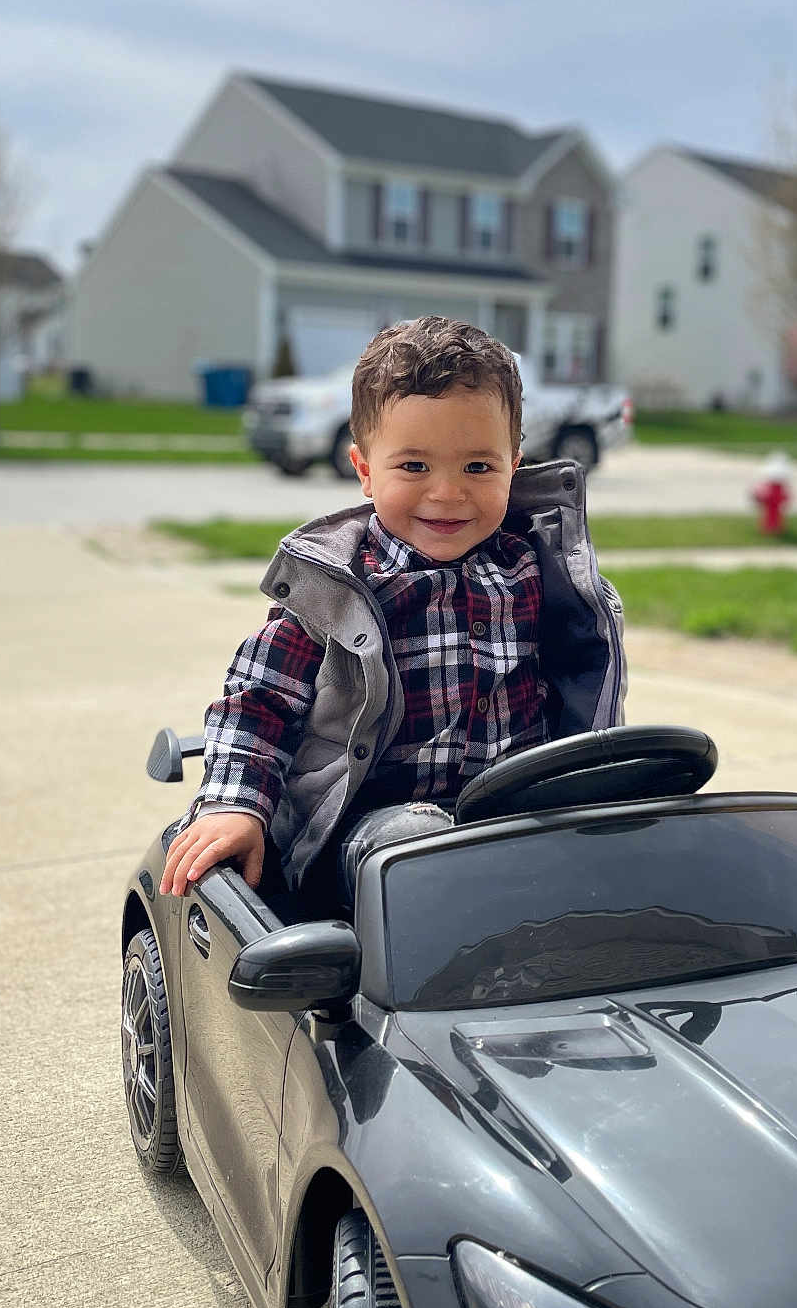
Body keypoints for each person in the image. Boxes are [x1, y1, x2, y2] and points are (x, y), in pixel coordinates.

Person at [158, 315, 626, 910]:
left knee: (649, 846)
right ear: (364, 471)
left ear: (514, 463)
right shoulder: (340, 593)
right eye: (414, 466)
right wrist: (234, 802)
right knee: (418, 847)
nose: (448, 492)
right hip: (372, 837)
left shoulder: (536, 576)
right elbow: (257, 704)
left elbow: (583, 691)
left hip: (513, 820)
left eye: (478, 467)